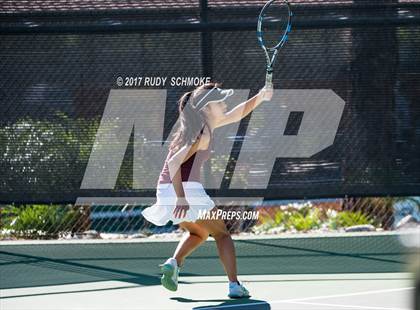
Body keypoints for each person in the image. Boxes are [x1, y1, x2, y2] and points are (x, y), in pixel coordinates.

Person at [141, 82, 273, 298]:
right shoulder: (201, 134)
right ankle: (234, 285)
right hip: (183, 190)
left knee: (198, 231)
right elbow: (175, 163)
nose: (224, 104)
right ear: (206, 108)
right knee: (222, 234)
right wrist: (182, 198)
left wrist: (260, 96)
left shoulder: (204, 125)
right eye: (219, 102)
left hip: (165, 189)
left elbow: (237, 114)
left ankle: (174, 263)